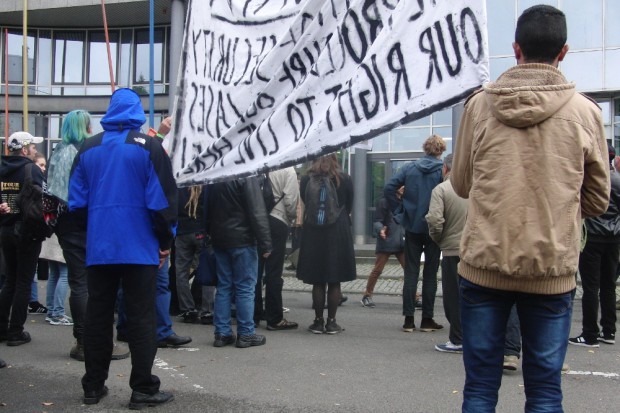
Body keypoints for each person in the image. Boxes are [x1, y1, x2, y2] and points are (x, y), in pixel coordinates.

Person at [451, 5, 610, 412]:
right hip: (551, 268)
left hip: (484, 263)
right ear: (565, 51)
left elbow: (462, 183)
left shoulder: (478, 106)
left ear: (515, 48)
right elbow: (597, 198)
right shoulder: (585, 111)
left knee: (480, 388)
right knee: (544, 390)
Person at [69, 88, 177, 408]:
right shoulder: (150, 147)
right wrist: (165, 241)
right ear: (137, 114)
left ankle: (93, 386)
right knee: (141, 318)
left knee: (98, 316)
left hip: (100, 247)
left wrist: (93, 233)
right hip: (139, 247)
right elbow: (162, 202)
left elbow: (75, 204)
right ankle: (142, 389)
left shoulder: (88, 147)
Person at [47, 109, 128, 361]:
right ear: (86, 127)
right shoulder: (92, 150)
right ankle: (101, 341)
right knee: (99, 284)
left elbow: (56, 193)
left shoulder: (60, 152)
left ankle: (84, 342)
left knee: (80, 283)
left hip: (69, 225)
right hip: (92, 222)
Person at [385, 135, 446, 332]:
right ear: (441, 150)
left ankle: (408, 320)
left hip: (412, 226)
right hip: (434, 229)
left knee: (411, 273)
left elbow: (389, 188)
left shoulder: (410, 168)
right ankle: (427, 319)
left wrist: (399, 210)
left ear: (425, 148)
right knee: (430, 274)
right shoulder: (442, 170)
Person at [207, 176, 272, 348]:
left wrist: (210, 233)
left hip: (220, 238)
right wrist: (266, 243)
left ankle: (221, 333)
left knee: (223, 286)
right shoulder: (246, 175)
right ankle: (246, 333)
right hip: (242, 238)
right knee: (245, 287)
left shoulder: (216, 174)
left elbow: (206, 207)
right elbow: (257, 210)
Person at [297, 154, 356, 334]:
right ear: (334, 158)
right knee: (334, 279)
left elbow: (306, 201)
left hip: (314, 231)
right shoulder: (344, 178)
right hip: (338, 231)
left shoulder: (307, 178)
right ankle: (331, 322)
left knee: (318, 280)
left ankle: (317, 321)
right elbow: (349, 204)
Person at [570, 144, 619, 347]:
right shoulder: (617, 179)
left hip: (592, 236)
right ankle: (609, 331)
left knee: (591, 286)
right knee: (609, 285)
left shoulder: (589, 179)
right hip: (614, 237)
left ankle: (589, 334)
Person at [0, 131, 45, 346]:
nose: (35, 151)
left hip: (6, 230)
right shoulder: (31, 169)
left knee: (10, 280)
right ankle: (15, 331)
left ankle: (1, 328)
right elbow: (43, 198)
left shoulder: (1, 168)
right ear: (25, 149)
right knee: (24, 281)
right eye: (33, 147)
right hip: (26, 231)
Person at [425, 154, 467, 351]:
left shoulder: (441, 189)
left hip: (452, 250)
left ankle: (457, 339)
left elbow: (434, 220)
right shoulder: (476, 188)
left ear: (445, 168)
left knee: (453, 297)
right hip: (475, 251)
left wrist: (438, 238)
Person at [254, 166, 300, 330]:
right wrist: (292, 217)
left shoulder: (260, 164)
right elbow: (290, 200)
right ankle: (274, 317)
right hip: (277, 219)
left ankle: (253, 314)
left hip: (257, 220)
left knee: (255, 270)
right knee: (274, 271)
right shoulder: (288, 170)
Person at [175, 185, 213, 324]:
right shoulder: (206, 185)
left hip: (182, 231)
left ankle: (187, 309)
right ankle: (207, 311)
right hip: (201, 231)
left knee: (181, 272)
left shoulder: (180, 185)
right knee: (207, 270)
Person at [362, 187, 406, 308]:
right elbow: (377, 220)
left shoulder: (405, 201)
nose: (403, 188)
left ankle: (414, 296)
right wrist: (381, 229)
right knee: (377, 270)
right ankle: (367, 295)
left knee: (409, 271)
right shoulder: (384, 201)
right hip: (387, 239)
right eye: (401, 185)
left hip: (401, 241)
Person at [40, 234, 72, 326]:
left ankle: (51, 311)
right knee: (64, 275)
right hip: (62, 240)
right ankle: (58, 313)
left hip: (50, 239)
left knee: (54, 275)